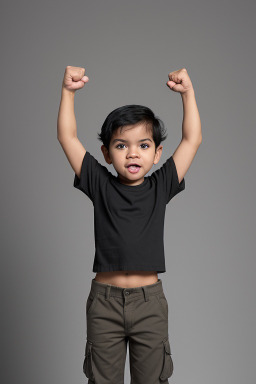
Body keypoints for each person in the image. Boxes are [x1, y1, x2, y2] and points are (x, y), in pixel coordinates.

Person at [57, 65, 202, 384]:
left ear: (157, 153)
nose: (133, 153)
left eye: (143, 145)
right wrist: (68, 92)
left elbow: (192, 139)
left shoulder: (161, 185)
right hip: (104, 303)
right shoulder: (99, 183)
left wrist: (188, 94)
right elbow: (67, 136)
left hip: (149, 303)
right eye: (121, 145)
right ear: (106, 154)